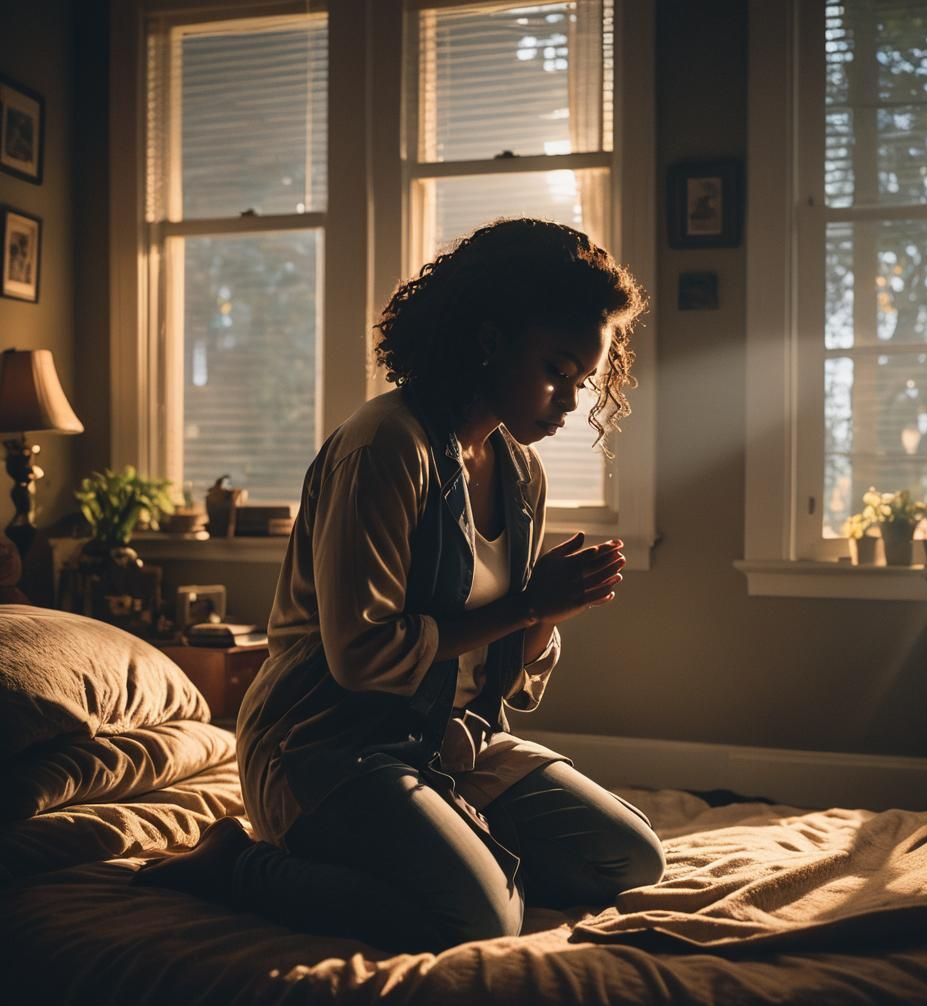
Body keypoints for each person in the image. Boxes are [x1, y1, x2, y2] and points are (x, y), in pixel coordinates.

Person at [136, 217, 665, 952]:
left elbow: (507, 681)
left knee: (631, 860)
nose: (569, 401)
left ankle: (442, 842)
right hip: (324, 747)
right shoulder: (385, 445)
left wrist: (545, 615)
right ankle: (238, 865)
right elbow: (362, 658)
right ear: (489, 340)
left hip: (449, 743)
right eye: (556, 369)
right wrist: (527, 604)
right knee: (479, 919)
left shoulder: (520, 474)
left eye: (582, 379)